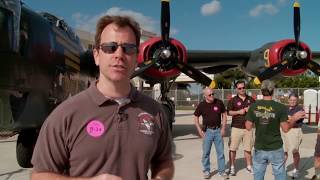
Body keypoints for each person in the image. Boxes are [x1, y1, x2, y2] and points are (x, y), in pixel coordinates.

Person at [31, 15, 174, 180]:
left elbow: (164, 162)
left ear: (136, 58)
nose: (119, 54)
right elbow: (39, 176)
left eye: (128, 48)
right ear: (96, 55)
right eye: (110, 47)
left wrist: (161, 178)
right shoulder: (65, 114)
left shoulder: (155, 112)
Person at [245, 80, 305, 180]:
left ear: (261, 91)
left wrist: (255, 117)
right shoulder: (280, 107)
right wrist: (294, 119)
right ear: (273, 91)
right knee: (279, 176)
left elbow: (248, 127)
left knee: (258, 176)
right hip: (276, 148)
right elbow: (285, 129)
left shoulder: (253, 106)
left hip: (259, 147)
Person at [194, 87, 229, 179]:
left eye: (213, 94)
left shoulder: (219, 102)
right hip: (207, 132)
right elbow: (195, 117)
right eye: (210, 95)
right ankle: (206, 171)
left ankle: (222, 172)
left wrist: (223, 128)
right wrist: (199, 130)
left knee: (220, 153)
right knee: (206, 153)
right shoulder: (201, 105)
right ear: (205, 96)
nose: (212, 96)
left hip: (218, 131)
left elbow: (224, 115)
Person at [227, 80, 255, 176]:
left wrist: (250, 110)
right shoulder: (233, 100)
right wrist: (239, 112)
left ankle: (249, 166)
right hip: (236, 127)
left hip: (248, 128)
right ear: (236, 89)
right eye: (240, 88)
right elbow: (229, 112)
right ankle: (232, 167)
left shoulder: (251, 99)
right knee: (233, 148)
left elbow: (256, 111)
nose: (242, 89)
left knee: (248, 148)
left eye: (243, 87)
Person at [281, 93, 305, 178]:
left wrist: (289, 118)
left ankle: (296, 170)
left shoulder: (300, 109)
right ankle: (281, 169)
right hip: (284, 131)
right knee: (283, 151)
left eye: (294, 100)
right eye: (291, 100)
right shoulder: (284, 108)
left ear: (297, 100)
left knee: (295, 151)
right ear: (288, 100)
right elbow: (282, 119)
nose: (292, 102)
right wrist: (291, 118)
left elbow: (297, 118)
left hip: (295, 131)